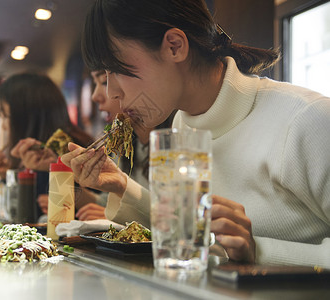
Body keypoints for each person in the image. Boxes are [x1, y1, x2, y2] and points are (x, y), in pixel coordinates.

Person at [61, 0, 330, 268]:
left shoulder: (306, 120)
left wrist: (258, 250)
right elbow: (186, 226)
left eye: (117, 70)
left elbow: (231, 246)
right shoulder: (182, 125)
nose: (111, 93)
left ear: (174, 46)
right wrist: (121, 183)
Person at [0, 72, 94, 218]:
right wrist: (8, 175)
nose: (4, 127)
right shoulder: (32, 153)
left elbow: (32, 217)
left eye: (5, 116)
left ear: (26, 116)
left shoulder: (72, 148)